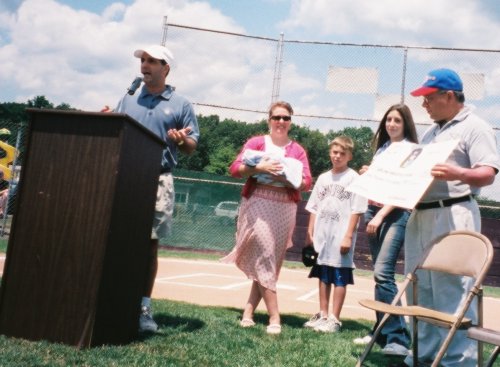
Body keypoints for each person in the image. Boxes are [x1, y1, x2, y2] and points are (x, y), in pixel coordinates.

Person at [404, 68, 499, 366]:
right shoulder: (433, 131)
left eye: (429, 98)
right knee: (419, 285)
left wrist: (459, 173)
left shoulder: (475, 126)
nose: (424, 105)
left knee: (452, 288)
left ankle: (458, 360)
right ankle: (425, 353)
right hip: (421, 214)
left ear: (449, 96)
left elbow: (488, 173)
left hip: (453, 212)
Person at [114, 44, 200, 332]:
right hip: (123, 177)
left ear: (166, 69)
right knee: (116, 239)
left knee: (149, 245)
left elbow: (191, 148)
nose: (146, 65)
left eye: (153, 61)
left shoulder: (181, 104)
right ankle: (113, 299)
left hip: (158, 178)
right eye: (144, 60)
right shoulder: (127, 99)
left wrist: (179, 140)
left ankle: (143, 308)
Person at [222, 101, 312, 335]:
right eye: (277, 117)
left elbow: (306, 181)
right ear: (269, 119)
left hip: (285, 207)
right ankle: (274, 317)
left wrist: (286, 177)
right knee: (264, 255)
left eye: (286, 118)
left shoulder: (298, 150)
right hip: (259, 202)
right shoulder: (256, 143)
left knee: (269, 259)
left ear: (291, 121)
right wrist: (259, 168)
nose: (281, 122)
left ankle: (249, 312)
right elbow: (235, 169)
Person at [353, 104, 418, 355]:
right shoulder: (383, 148)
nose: (391, 124)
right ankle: (380, 330)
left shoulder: (411, 150)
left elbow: (403, 188)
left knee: (383, 272)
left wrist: (380, 215)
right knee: (379, 276)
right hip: (373, 210)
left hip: (395, 213)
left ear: (406, 124)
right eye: (388, 120)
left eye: (397, 121)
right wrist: (368, 173)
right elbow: (381, 181)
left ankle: (398, 338)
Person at [303, 136, 367, 333]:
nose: (337, 156)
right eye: (334, 152)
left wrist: (348, 235)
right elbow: (314, 207)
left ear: (349, 156)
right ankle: (323, 315)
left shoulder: (354, 178)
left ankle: (335, 319)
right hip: (322, 235)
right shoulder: (323, 178)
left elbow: (357, 209)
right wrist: (309, 231)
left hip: (341, 235)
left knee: (339, 275)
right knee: (323, 273)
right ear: (330, 153)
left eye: (342, 153)